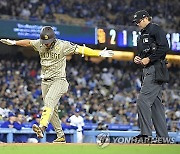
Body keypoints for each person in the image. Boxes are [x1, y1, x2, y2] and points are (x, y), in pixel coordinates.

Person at [0, 26, 113, 143]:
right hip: (45, 81)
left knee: (49, 100)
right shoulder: (40, 43)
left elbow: (81, 49)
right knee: (52, 109)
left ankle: (42, 127)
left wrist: (98, 53)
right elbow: (28, 42)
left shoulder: (63, 45)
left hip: (59, 80)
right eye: (44, 42)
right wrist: (14, 42)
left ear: (53, 39)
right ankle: (60, 136)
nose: (46, 44)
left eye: (48, 42)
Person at [132, 10, 169, 143]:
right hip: (147, 69)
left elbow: (164, 47)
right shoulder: (141, 34)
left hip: (155, 68)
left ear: (146, 18)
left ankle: (145, 135)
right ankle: (163, 138)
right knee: (156, 105)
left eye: (139, 21)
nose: (137, 23)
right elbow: (143, 53)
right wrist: (139, 58)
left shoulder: (155, 29)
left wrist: (149, 58)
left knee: (143, 100)